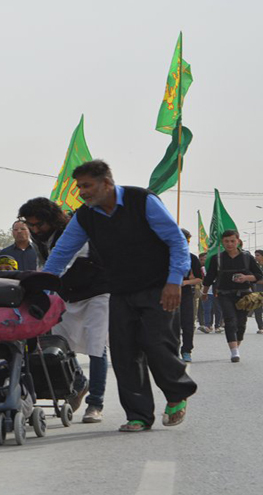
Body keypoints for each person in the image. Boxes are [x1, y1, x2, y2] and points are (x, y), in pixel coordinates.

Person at [43, 160, 197, 432]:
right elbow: (61, 253)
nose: (82, 192)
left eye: (87, 186)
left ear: (107, 184)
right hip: (120, 290)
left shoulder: (143, 201)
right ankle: (138, 415)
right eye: (79, 187)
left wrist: (174, 281)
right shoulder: (85, 215)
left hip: (158, 287)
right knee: (125, 352)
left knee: (157, 344)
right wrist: (43, 286)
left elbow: (175, 241)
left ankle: (176, 394)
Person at [19, 196, 107, 423]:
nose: (36, 229)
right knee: (58, 342)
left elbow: (59, 265)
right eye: (31, 225)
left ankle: (95, 403)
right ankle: (79, 382)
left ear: (52, 219)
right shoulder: (38, 240)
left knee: (96, 345)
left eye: (40, 224)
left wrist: (40, 287)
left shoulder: (72, 233)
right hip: (67, 294)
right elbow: (43, 266)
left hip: (96, 293)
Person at [201, 230, 263, 362]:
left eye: (232, 241)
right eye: (226, 241)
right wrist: (204, 292)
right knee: (230, 320)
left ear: (238, 241)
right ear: (222, 242)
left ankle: (236, 346)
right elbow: (209, 277)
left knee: (241, 323)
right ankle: (234, 351)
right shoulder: (217, 258)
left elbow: (259, 276)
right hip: (224, 294)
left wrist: (246, 277)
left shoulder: (247, 258)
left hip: (244, 295)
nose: (229, 244)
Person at [173, 229, 203, 362]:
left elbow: (199, 279)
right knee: (171, 324)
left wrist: (185, 282)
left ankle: (186, 350)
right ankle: (172, 351)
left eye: (186, 240)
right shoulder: (166, 256)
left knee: (187, 323)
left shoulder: (192, 258)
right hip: (168, 294)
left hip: (185, 294)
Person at [254, 250, 263, 334]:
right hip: (257, 291)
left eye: (258, 255)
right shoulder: (255, 267)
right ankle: (261, 327)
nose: (256, 257)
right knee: (257, 309)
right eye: (255, 255)